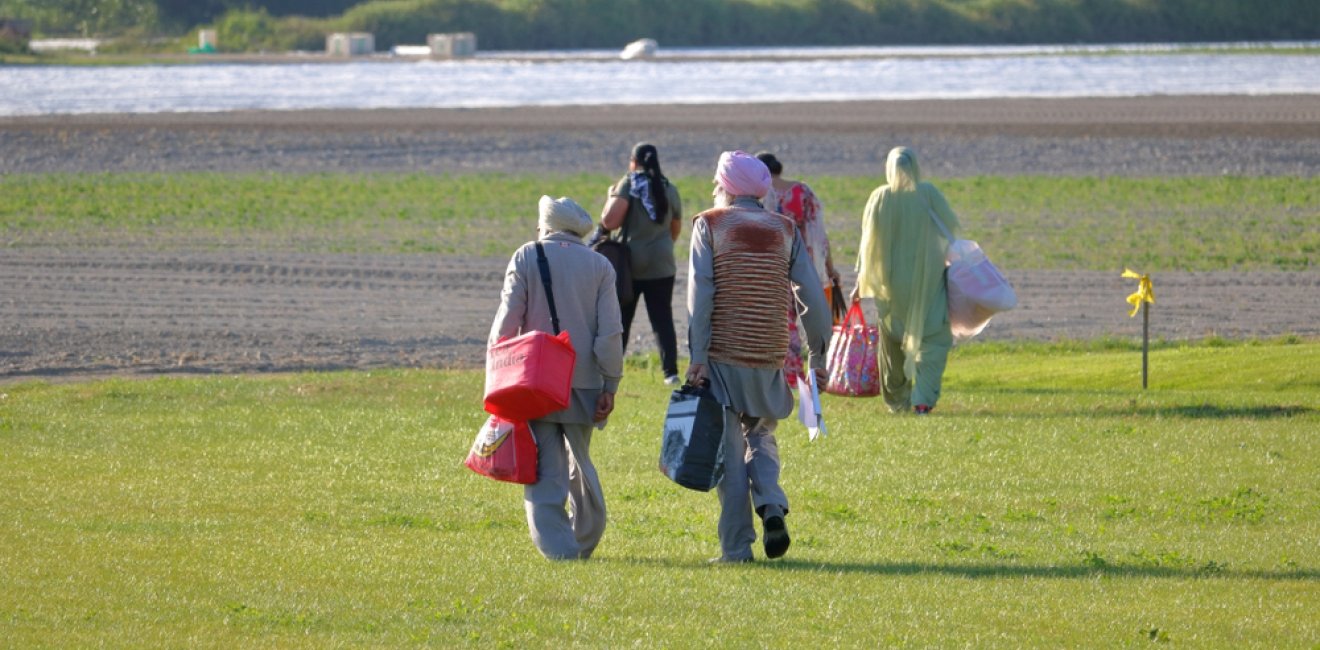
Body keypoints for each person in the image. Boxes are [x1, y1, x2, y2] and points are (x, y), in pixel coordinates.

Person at [685, 151, 833, 563]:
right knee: (762, 433)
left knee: (728, 453)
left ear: (725, 187)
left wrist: (697, 355)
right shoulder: (784, 228)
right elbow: (810, 295)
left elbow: (701, 294)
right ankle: (770, 503)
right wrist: (818, 352)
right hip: (769, 352)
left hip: (722, 354)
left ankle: (736, 549)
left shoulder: (709, 224)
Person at [488, 195, 624, 560]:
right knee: (581, 459)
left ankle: (559, 550)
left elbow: (505, 324)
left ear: (545, 225)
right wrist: (610, 383)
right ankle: (583, 538)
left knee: (547, 467)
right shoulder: (599, 266)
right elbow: (610, 333)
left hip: (535, 380)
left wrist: (497, 379)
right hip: (585, 381)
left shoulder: (526, 256)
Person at [852, 146, 961, 415]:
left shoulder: (879, 198)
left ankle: (898, 400)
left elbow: (869, 245)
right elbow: (951, 229)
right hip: (928, 281)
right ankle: (923, 399)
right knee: (933, 338)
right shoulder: (929, 194)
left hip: (890, 284)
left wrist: (862, 282)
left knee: (892, 344)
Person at [599, 142, 684, 384]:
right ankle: (671, 373)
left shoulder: (629, 183)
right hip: (662, 263)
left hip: (630, 266)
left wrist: (611, 196)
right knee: (662, 320)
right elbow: (675, 227)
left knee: (622, 319)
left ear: (634, 161)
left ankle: (612, 370)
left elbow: (609, 221)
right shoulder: (669, 188)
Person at [756, 151, 841, 388]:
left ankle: (787, 373)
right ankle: (798, 373)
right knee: (804, 320)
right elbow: (819, 236)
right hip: (800, 266)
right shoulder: (802, 192)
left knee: (781, 321)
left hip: (770, 267)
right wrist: (829, 269)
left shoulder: (758, 193)